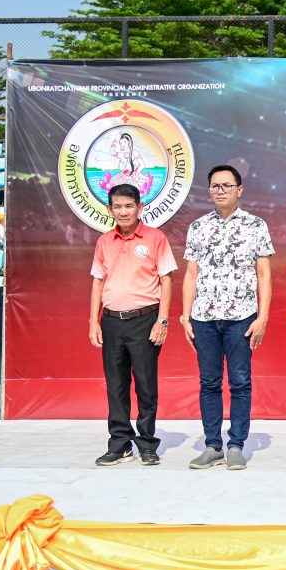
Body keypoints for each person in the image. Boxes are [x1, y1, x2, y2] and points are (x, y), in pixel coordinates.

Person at [182, 165, 274, 471]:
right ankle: (212, 446)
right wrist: (185, 316)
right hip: (204, 317)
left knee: (240, 382)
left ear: (239, 190)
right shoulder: (198, 227)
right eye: (215, 186)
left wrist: (262, 317)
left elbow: (264, 274)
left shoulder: (255, 225)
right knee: (208, 382)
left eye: (226, 185)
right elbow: (191, 274)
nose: (220, 190)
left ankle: (236, 445)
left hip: (241, 317)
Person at [89, 183, 176, 467]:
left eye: (129, 206)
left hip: (145, 320)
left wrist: (162, 320)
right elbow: (97, 281)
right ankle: (119, 444)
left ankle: (147, 443)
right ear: (109, 209)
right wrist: (93, 321)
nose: (123, 211)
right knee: (116, 385)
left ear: (140, 208)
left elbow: (166, 280)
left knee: (146, 385)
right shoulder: (104, 242)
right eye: (118, 206)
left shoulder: (155, 238)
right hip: (112, 321)